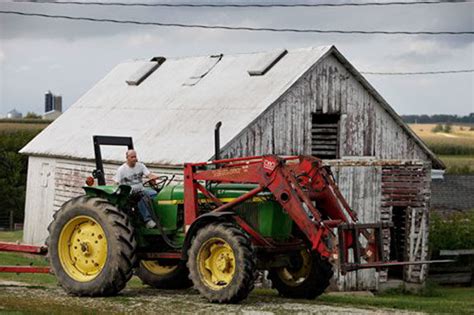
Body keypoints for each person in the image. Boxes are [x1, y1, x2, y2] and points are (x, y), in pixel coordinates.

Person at [113, 149, 159, 229]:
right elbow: (116, 183)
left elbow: (149, 175)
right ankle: (147, 220)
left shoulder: (140, 166)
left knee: (155, 194)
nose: (135, 159)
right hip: (130, 194)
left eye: (135, 156)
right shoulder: (122, 170)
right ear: (127, 158)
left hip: (142, 189)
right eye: (132, 157)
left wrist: (154, 177)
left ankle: (157, 217)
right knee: (141, 197)